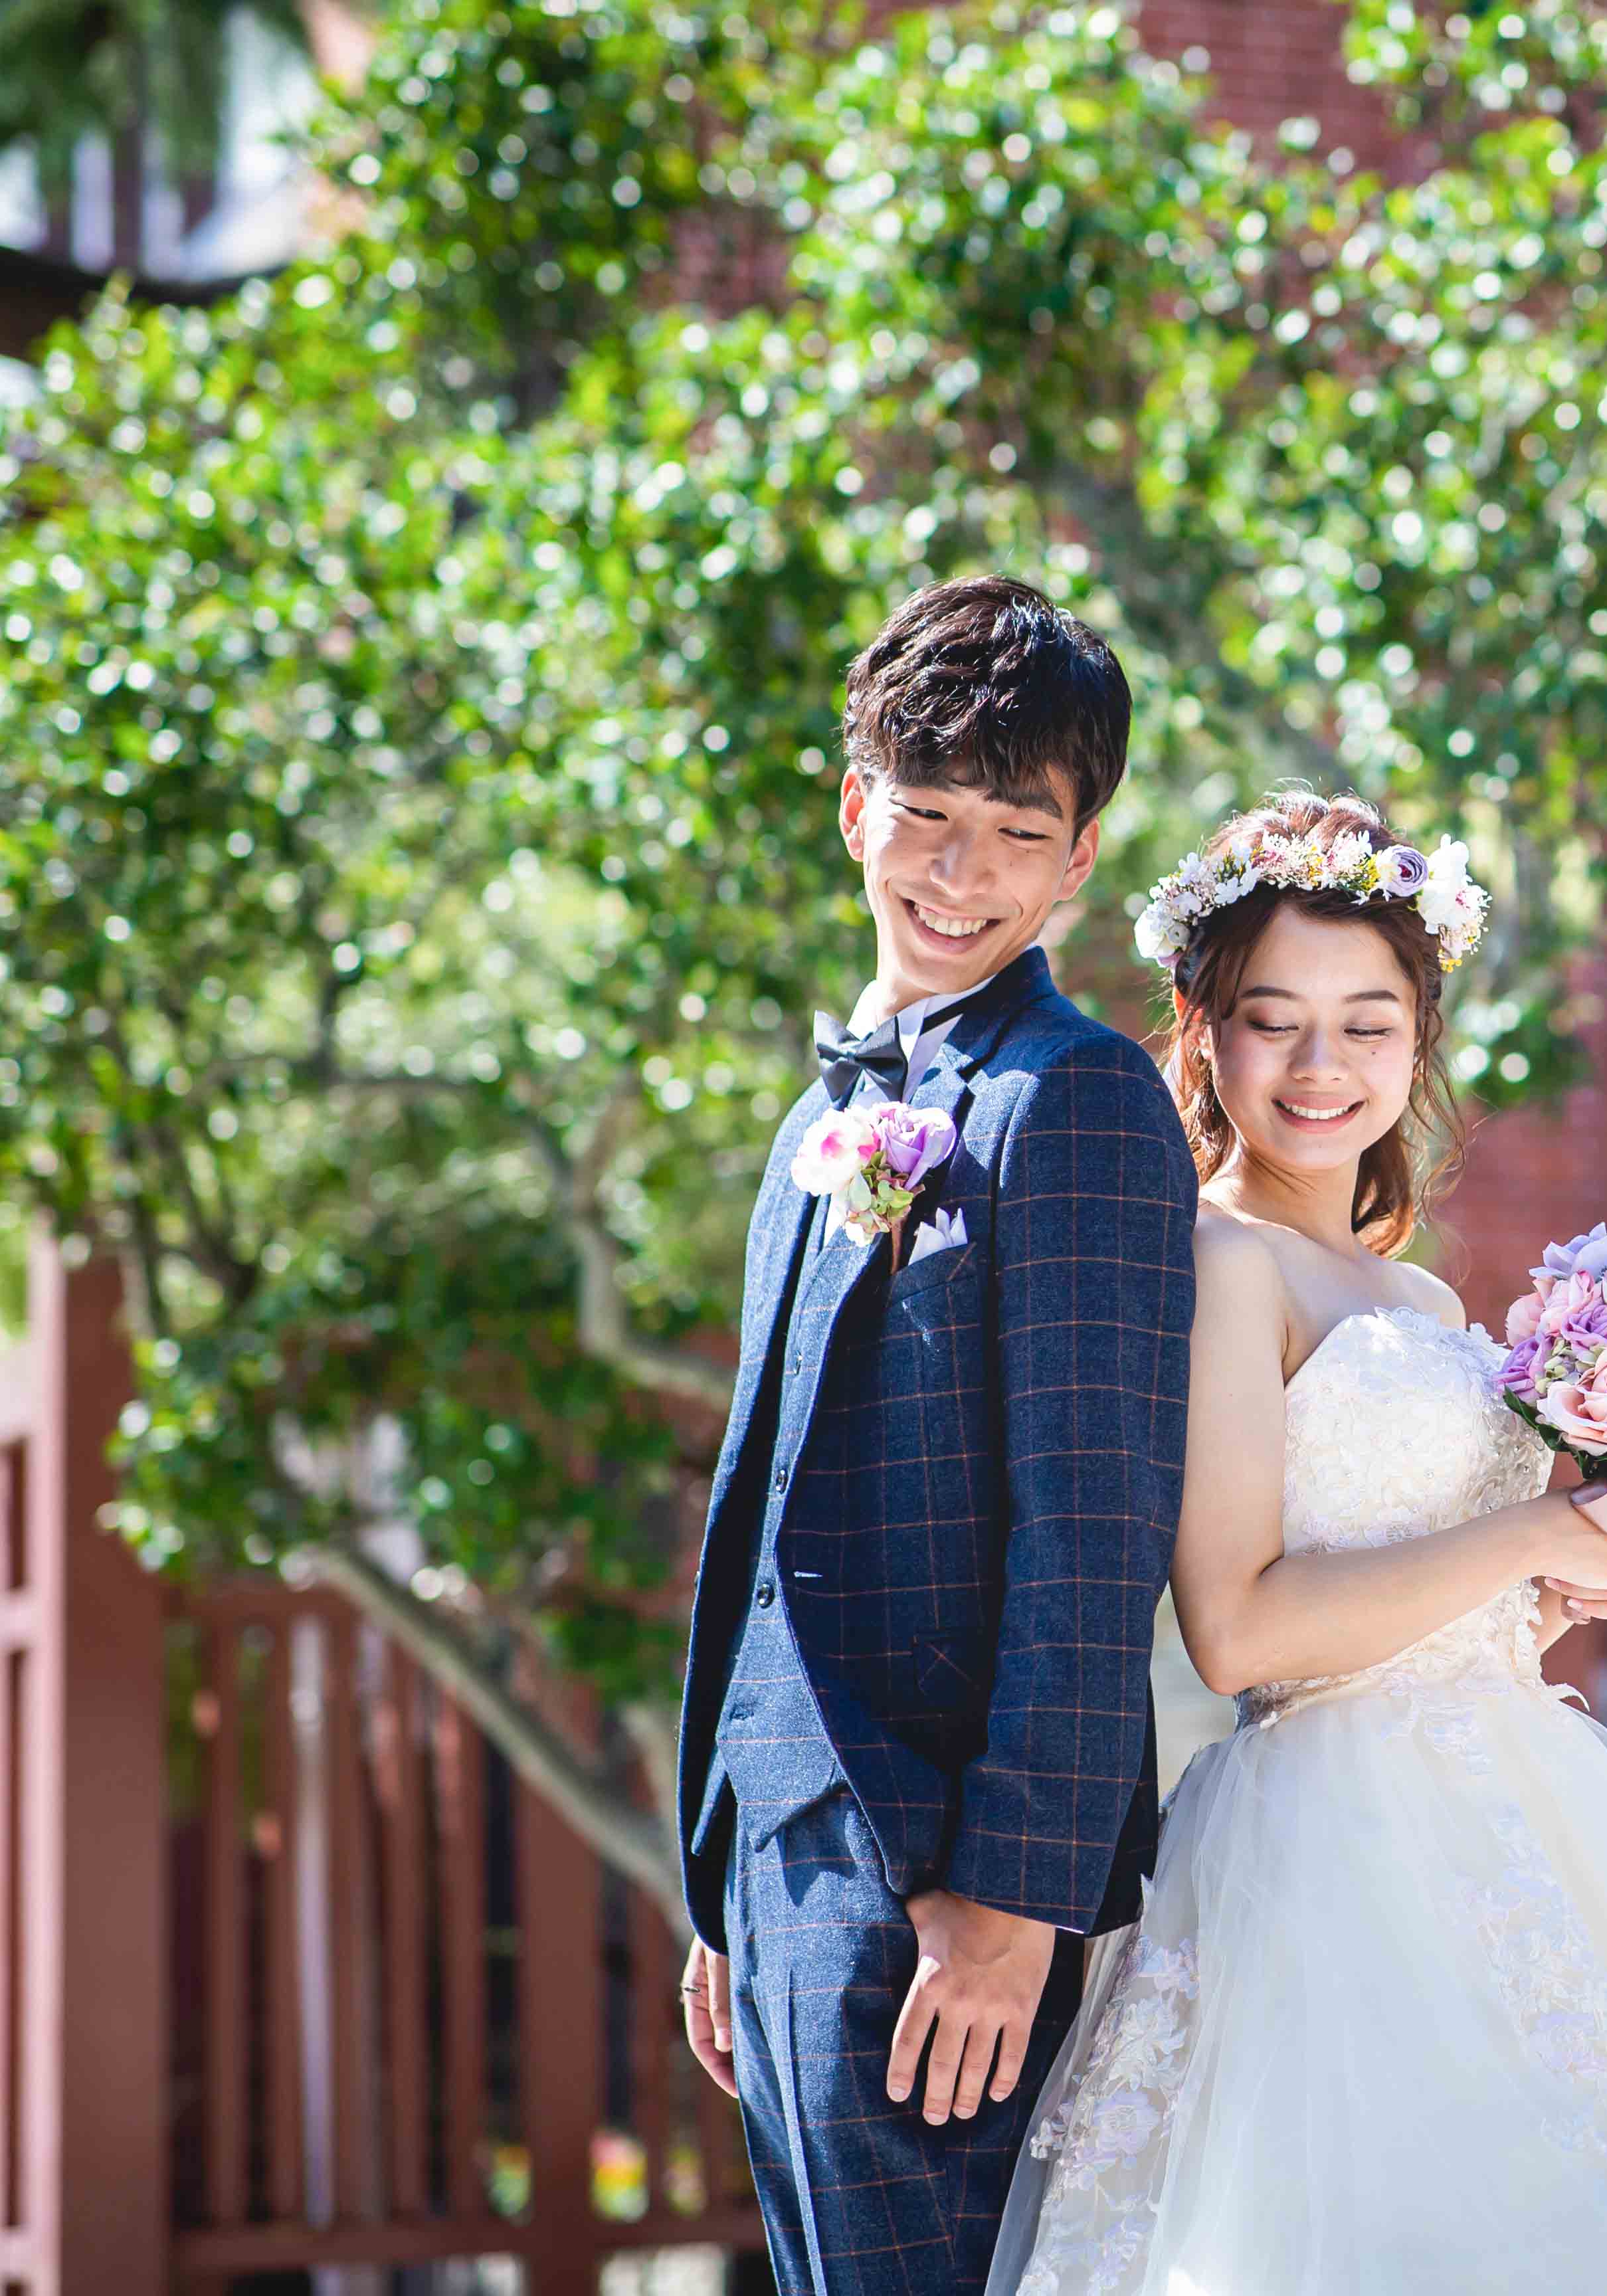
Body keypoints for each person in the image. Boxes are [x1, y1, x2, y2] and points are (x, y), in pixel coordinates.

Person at [985, 791, 1607, 2295]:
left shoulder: (1421, 1303)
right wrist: (1522, 1536)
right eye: (1275, 1020)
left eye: (1369, 1025)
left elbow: (1435, 1590)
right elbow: (1239, 1629)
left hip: (1517, 1802)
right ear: (1200, 1028)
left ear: (1419, 1042)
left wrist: (1565, 1574)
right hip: (1330, 1846)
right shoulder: (1217, 1264)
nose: (1324, 1067)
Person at [672, 575, 1194, 2295]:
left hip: (938, 1883)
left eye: (1013, 830)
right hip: (779, 1859)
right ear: (855, 809)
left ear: (1080, 861)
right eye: (927, 815)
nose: (958, 873)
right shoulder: (810, 1123)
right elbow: (757, 1514)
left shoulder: (1079, 1095)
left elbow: (1093, 1522)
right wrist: (721, 1879)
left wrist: (1017, 1897)